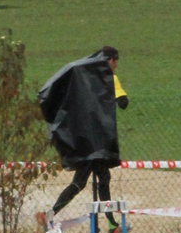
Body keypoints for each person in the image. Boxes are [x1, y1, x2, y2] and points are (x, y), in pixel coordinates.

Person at [40, 46, 128, 221]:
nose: (116, 66)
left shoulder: (83, 77)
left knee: (100, 178)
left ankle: (111, 224)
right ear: (110, 60)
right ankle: (49, 215)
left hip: (80, 139)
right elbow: (123, 103)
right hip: (97, 143)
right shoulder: (109, 78)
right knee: (83, 182)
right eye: (115, 61)